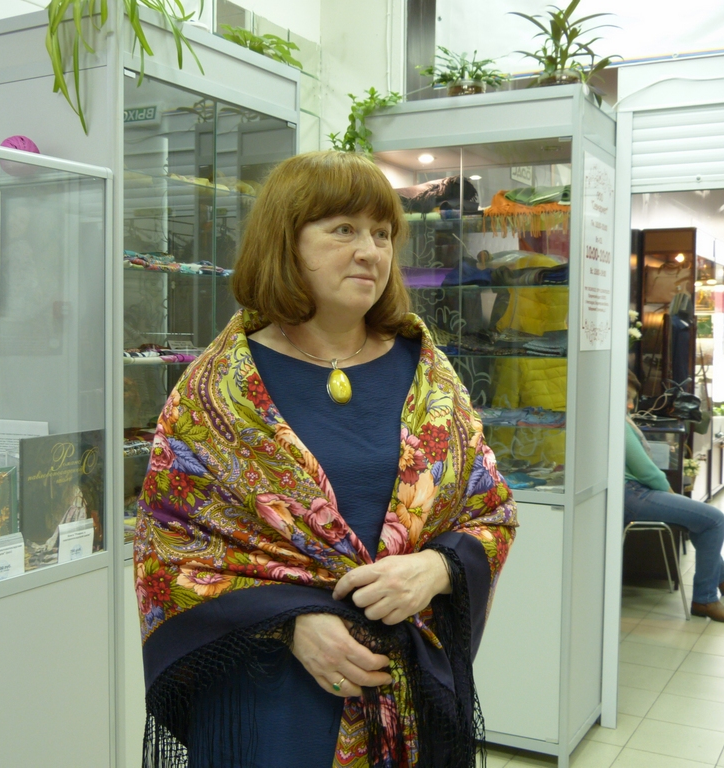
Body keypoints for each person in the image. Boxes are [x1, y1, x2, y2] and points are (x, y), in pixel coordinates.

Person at [133, 150, 518, 768]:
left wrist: (435, 569)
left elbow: (490, 510)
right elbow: (170, 551)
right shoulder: (216, 392)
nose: (370, 251)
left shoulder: (429, 374)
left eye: (382, 233)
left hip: (406, 696)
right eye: (343, 229)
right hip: (271, 702)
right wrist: (289, 622)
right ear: (285, 241)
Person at [625, 371, 724, 622]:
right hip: (631, 495)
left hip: (629, 493)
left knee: (701, 520)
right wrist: (669, 490)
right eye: (626, 397)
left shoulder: (608, 419)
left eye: (632, 399)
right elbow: (645, 471)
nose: (629, 405)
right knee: (714, 520)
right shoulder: (617, 424)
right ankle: (705, 599)